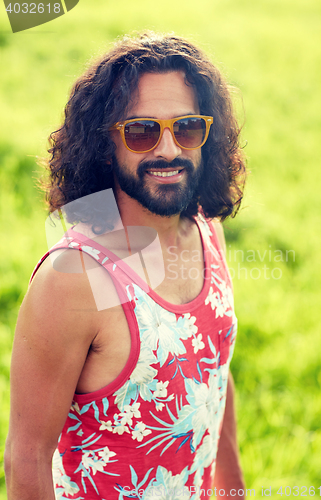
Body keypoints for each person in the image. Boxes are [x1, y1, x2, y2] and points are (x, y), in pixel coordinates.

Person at [5, 32, 246, 499]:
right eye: (141, 131)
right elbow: (27, 458)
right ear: (104, 143)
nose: (170, 150)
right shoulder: (73, 278)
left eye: (188, 128)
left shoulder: (205, 230)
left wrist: (234, 491)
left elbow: (215, 371)